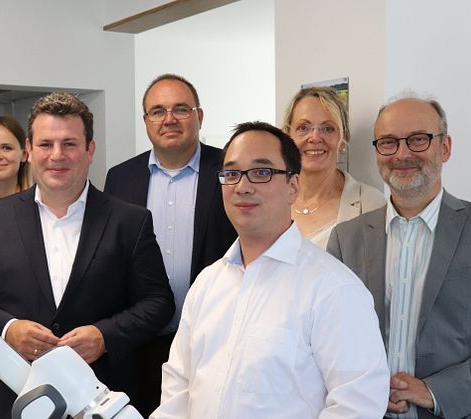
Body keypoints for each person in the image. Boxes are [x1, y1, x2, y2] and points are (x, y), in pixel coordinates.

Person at [0, 92, 175, 418]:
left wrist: (105, 336)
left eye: (69, 144)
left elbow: (158, 302)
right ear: (29, 150)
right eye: (46, 144)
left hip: (98, 396)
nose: (57, 155)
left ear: (90, 150)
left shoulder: (130, 221)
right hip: (9, 396)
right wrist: (8, 328)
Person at [153, 121, 389, 418]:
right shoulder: (207, 284)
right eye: (232, 173)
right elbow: (178, 390)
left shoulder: (334, 289)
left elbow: (359, 404)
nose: (242, 186)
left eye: (262, 172)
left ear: (293, 187)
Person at [327, 94, 471, 418]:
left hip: (465, 411)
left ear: (445, 147)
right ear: (376, 153)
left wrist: (433, 392)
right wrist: (364, 388)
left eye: (418, 139)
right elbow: (327, 342)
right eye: (388, 142)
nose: (402, 154)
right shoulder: (346, 239)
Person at [104, 74, 236, 416]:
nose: (170, 119)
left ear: (199, 117)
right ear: (146, 121)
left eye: (181, 108)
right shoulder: (120, 178)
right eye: (158, 111)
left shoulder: (230, 171)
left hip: (211, 342)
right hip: (137, 344)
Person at [282, 86, 385, 248]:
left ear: (342, 141)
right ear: (288, 136)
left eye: (328, 129)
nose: (315, 137)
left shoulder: (370, 205)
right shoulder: (271, 199)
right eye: (303, 128)